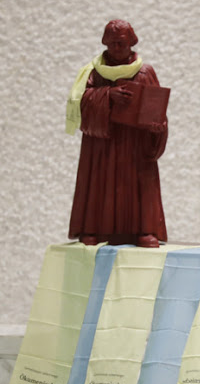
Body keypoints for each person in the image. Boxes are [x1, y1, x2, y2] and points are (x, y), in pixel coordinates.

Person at [66, 20, 168, 248]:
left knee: (137, 183)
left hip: (134, 144)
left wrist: (158, 126)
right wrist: (108, 95)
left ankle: (144, 230)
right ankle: (92, 228)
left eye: (121, 43)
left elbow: (157, 107)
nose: (117, 48)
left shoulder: (144, 71)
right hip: (102, 144)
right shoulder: (93, 72)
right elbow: (80, 104)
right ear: (104, 43)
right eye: (111, 43)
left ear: (131, 42)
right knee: (98, 182)